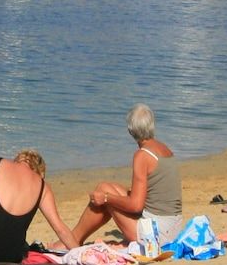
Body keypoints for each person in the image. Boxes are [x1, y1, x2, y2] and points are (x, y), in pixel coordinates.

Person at [70, 103, 184, 244]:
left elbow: (136, 206)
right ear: (151, 125)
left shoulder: (142, 155)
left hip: (156, 233)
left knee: (104, 191)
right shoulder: (165, 149)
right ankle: (75, 238)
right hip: (174, 227)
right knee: (108, 187)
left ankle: (72, 240)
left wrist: (106, 198)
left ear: (130, 130)